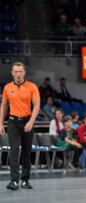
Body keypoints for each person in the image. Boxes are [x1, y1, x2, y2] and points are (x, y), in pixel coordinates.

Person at [0, 62, 40, 190]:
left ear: (24, 73)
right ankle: (14, 181)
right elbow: (4, 106)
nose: (18, 74)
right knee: (14, 151)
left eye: (20, 71)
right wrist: (0, 122)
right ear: (12, 73)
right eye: (16, 71)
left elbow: (37, 105)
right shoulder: (7, 87)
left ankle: (25, 180)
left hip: (27, 120)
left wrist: (31, 122)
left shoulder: (32, 87)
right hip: (13, 122)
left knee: (27, 152)